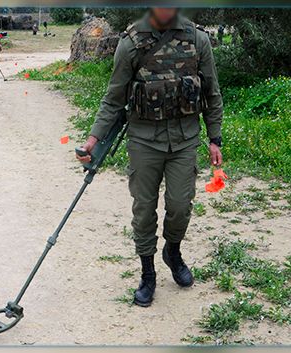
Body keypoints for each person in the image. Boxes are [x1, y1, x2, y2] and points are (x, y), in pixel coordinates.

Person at [76, 8, 223, 307]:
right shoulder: (131, 42)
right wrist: (93, 139)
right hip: (144, 141)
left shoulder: (197, 39)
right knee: (144, 210)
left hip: (184, 139)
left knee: (180, 206)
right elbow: (114, 98)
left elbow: (211, 92)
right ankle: (148, 273)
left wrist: (214, 138)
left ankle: (173, 251)